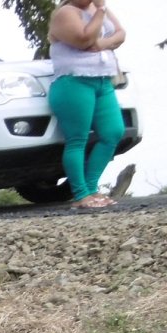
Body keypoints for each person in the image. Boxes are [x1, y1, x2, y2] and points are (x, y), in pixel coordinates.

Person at [47, 0, 126, 209]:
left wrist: (101, 44)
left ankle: (92, 188)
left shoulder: (97, 9)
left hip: (102, 80)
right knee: (77, 139)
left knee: (113, 132)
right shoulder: (66, 12)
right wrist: (100, 11)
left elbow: (120, 34)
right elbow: (84, 39)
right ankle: (81, 194)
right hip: (74, 81)